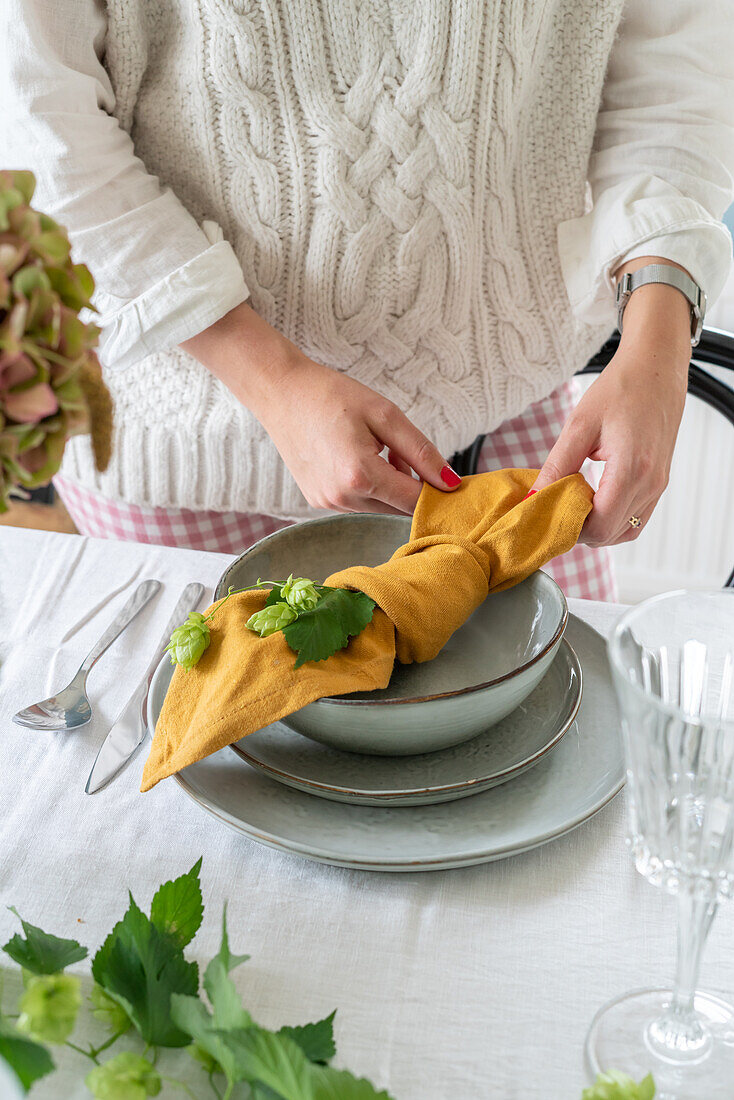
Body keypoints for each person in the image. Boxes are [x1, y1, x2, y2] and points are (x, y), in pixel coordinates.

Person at [3, 1, 732, 600]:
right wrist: (276, 381)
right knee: (223, 766)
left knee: (541, 751)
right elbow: (41, 126)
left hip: (512, 414)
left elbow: (674, 81)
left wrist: (659, 342)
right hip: (197, 439)